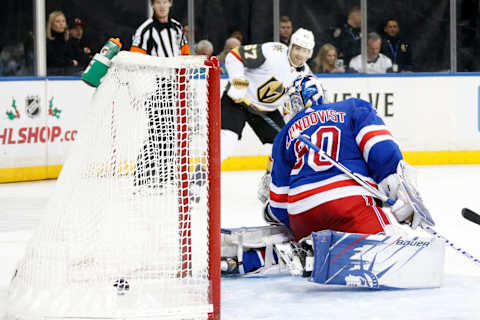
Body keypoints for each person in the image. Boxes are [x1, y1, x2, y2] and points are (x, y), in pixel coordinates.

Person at [220, 28, 315, 162]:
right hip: (238, 101)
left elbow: (298, 103)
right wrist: (238, 81)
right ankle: (200, 175)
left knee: (284, 147)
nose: (300, 54)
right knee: (227, 140)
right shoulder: (272, 52)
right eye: (297, 48)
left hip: (266, 111)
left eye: (305, 51)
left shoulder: (305, 75)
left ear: (309, 54)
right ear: (291, 46)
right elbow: (234, 55)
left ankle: (270, 180)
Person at [129, 0, 190, 191]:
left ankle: (166, 174)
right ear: (153, 5)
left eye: (165, 2)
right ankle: (143, 175)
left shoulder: (178, 28)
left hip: (175, 86)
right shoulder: (145, 30)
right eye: (158, 2)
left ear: (170, 4)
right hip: (155, 86)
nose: (162, 6)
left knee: (172, 131)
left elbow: (185, 55)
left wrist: (184, 82)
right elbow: (135, 59)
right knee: (157, 131)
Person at [46, 11, 78, 75]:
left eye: (63, 21)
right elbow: (54, 60)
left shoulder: (68, 40)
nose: (61, 24)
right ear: (51, 24)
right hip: (52, 76)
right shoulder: (47, 41)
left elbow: (77, 56)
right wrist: (71, 62)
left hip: (69, 75)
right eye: (57, 21)